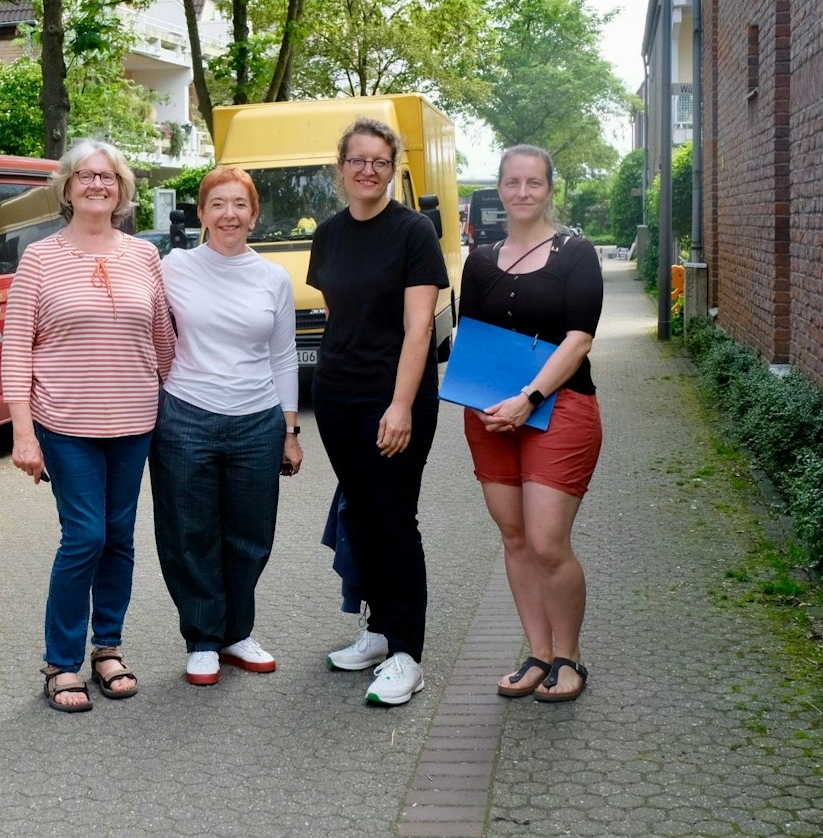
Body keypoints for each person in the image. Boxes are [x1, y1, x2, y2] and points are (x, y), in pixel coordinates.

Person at [1, 139, 176, 713]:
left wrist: (175, 400)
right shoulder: (39, 258)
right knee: (86, 536)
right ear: (67, 188)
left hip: (133, 422)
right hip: (66, 423)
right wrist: (23, 433)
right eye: (85, 175)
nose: (97, 184)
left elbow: (162, 340)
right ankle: (59, 661)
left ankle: (108, 648)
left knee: (120, 537)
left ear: (122, 189)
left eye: (108, 176)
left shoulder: (145, 257)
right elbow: (17, 349)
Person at [307, 117, 450, 706]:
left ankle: (407, 655)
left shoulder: (413, 232)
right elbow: (341, 317)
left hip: (394, 400)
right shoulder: (329, 234)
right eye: (357, 161)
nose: (368, 171)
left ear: (394, 169)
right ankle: (376, 630)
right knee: (360, 515)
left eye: (380, 162)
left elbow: (419, 328)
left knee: (393, 519)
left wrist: (399, 406)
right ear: (340, 169)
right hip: (337, 397)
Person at [460, 145, 604, 703]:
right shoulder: (479, 259)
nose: (523, 192)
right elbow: (471, 336)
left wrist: (530, 396)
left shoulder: (576, 253)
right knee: (515, 537)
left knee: (547, 542)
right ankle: (538, 653)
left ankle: (570, 657)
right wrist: (474, 399)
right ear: (499, 188)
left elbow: (580, 338)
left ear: (550, 189)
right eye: (513, 182)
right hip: (490, 417)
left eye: (535, 183)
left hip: (560, 408)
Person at [151, 167, 302, 686]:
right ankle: (202, 639)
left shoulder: (274, 278)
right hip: (185, 416)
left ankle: (237, 633)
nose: (229, 214)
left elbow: (284, 357)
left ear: (254, 215)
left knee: (251, 534)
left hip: (257, 422)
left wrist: (289, 430)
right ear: (202, 214)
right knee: (188, 532)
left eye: (240, 204)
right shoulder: (173, 268)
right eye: (218, 204)